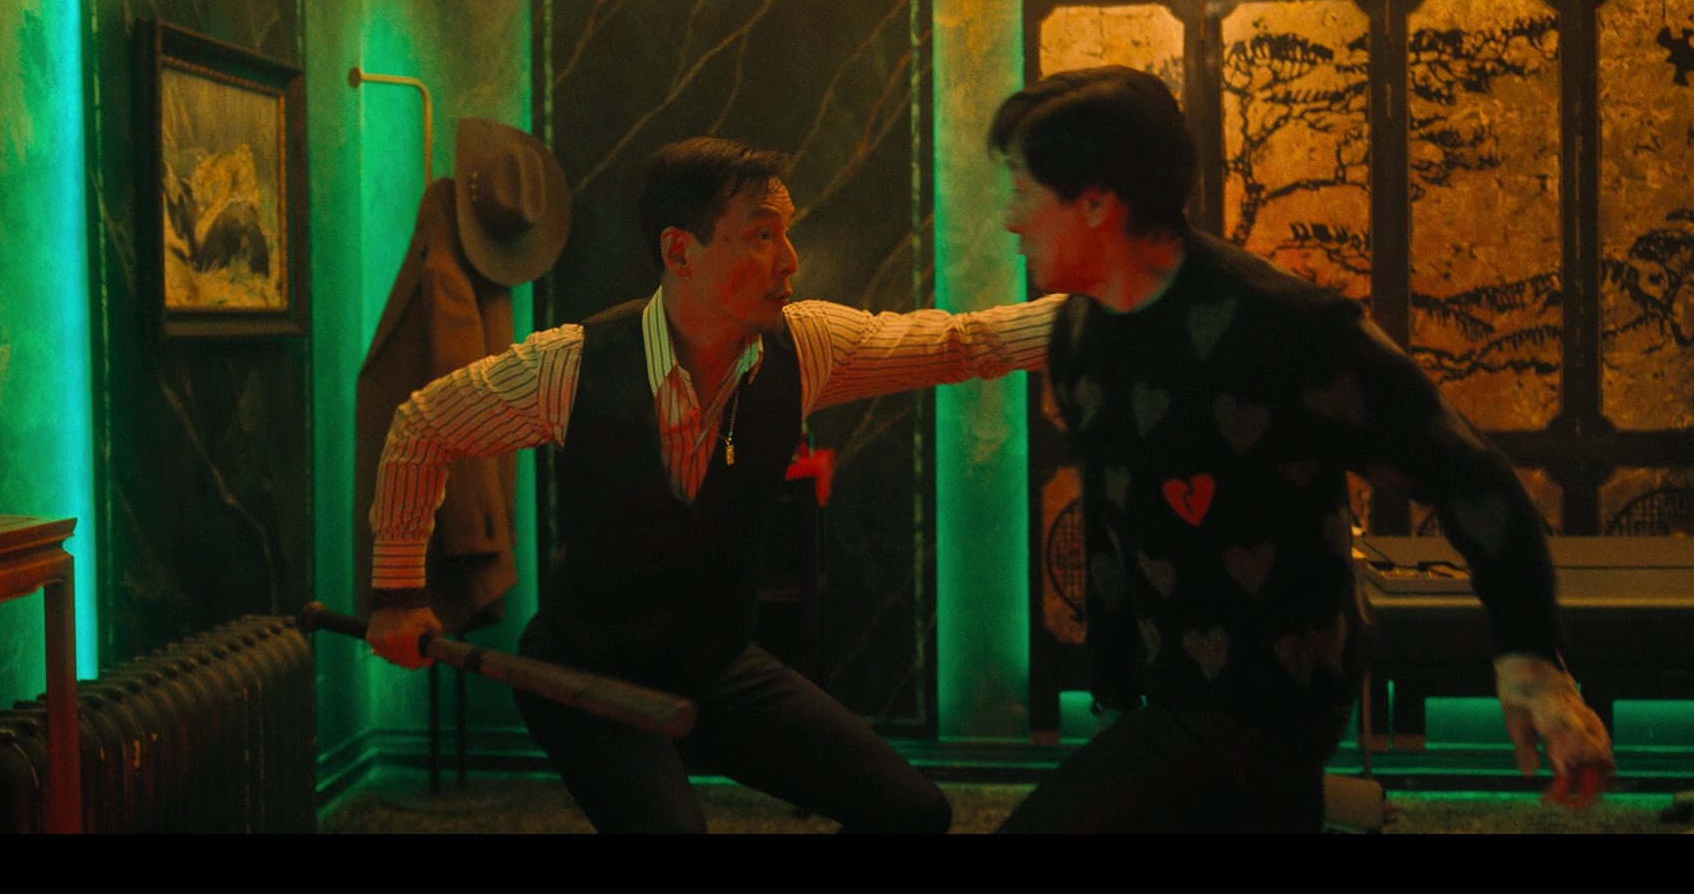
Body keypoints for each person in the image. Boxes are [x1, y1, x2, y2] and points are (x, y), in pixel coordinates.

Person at [366, 136, 1060, 833]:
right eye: (762, 235)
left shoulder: (807, 346)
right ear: (680, 251)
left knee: (913, 813)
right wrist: (398, 595)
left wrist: (1102, 310)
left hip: (717, 668)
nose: (789, 260)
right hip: (585, 676)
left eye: (786, 233)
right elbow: (423, 425)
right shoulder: (571, 366)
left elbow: (960, 343)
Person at [989, 65, 1615, 833]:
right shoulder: (1078, 336)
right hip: (1175, 697)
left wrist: (1532, 662)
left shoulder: (1285, 328)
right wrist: (1114, 687)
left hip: (1276, 700)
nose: (1009, 219)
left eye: (1021, 190)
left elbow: (1470, 479)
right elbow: (1111, 521)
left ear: (1095, 203)